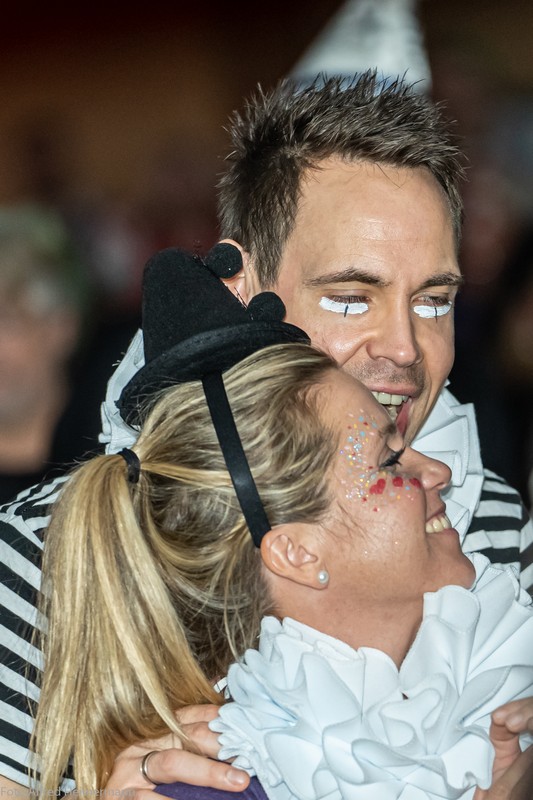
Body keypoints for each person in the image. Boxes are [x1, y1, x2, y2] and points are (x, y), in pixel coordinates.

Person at [1, 71, 533, 795]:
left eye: (433, 301)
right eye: (351, 297)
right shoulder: (46, 556)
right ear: (242, 291)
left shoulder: (490, 525)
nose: (405, 347)